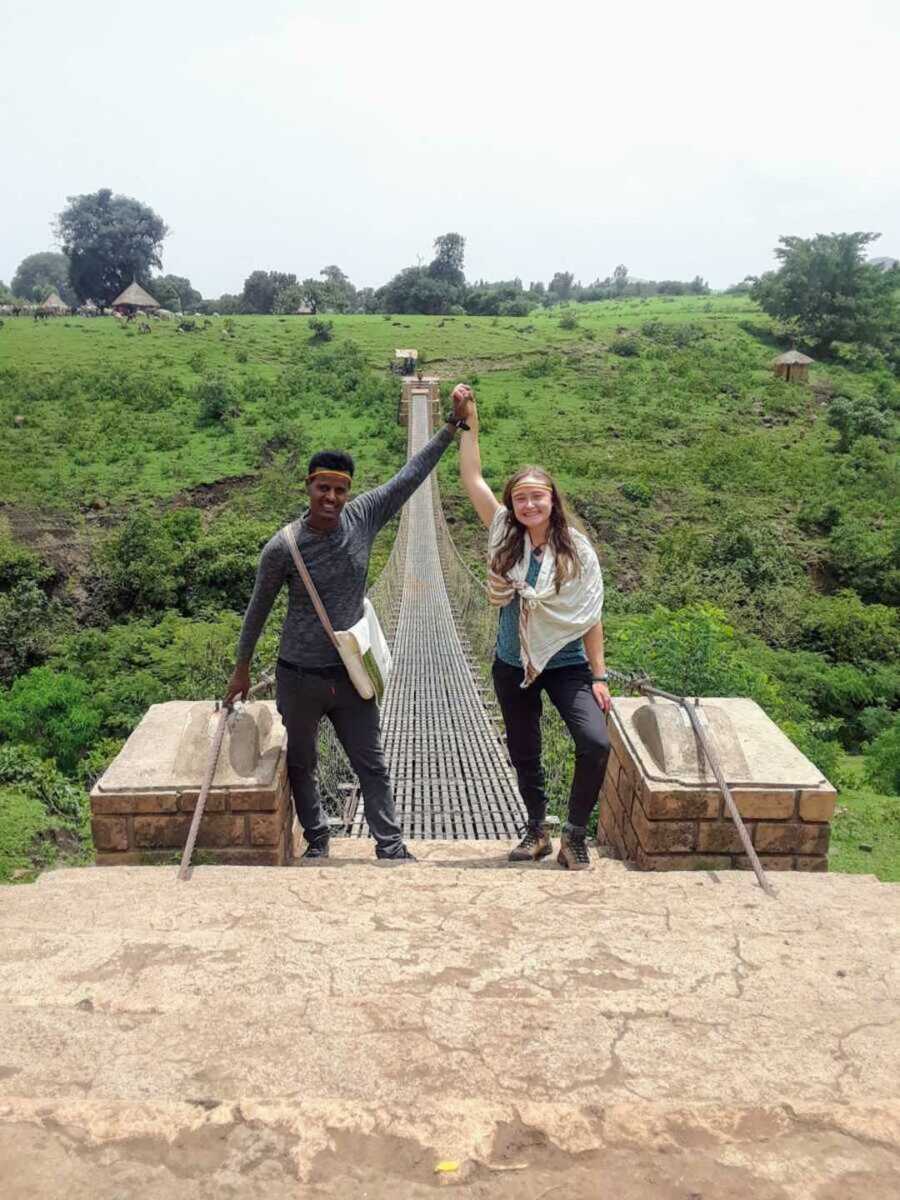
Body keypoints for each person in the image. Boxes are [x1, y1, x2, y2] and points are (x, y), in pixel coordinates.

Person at [224, 387, 472, 861]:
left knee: (371, 762)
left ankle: (390, 845)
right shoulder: (283, 548)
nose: (332, 498)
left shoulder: (363, 518)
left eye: (340, 490)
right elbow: (256, 612)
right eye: (324, 488)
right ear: (308, 487)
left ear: (348, 492)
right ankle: (318, 840)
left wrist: (450, 428)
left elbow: (409, 477)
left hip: (350, 672)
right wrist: (241, 669)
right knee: (301, 762)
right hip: (297, 675)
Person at [455, 384, 611, 870]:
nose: (528, 506)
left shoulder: (576, 549)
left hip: (565, 665)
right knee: (525, 752)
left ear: (552, 500)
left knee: (595, 742)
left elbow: (588, 613)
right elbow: (471, 477)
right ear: (512, 504)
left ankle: (576, 834)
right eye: (520, 499)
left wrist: (600, 674)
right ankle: (536, 830)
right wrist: (469, 420)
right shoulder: (503, 532)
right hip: (511, 661)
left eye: (536, 497)